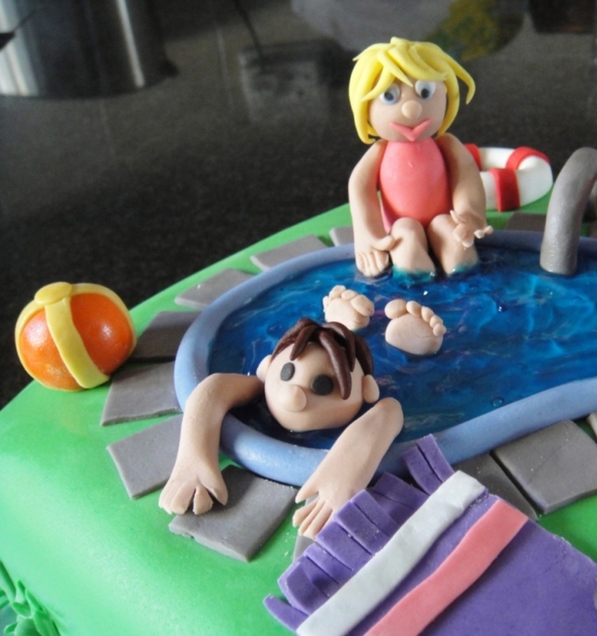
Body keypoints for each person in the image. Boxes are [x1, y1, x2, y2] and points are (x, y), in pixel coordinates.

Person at [159, 319, 403, 538]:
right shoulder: (261, 387)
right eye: (286, 373)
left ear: (367, 390)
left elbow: (390, 411)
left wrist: (348, 469)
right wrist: (194, 458)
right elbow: (214, 389)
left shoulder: (373, 400)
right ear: (267, 368)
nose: (293, 396)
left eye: (322, 385)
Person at [348, 37, 492, 278]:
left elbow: (466, 177)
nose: (411, 108)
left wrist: (469, 215)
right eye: (390, 96)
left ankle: (467, 283)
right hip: (399, 227)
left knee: (457, 245)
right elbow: (360, 187)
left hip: (445, 219)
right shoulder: (379, 151)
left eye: (425, 92)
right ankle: (415, 285)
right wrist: (367, 235)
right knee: (406, 243)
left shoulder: (447, 144)